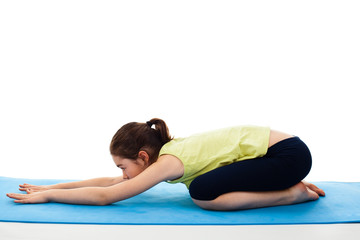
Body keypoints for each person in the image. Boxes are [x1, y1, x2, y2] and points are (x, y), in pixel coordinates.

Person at [6, 118, 325, 211]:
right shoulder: (168, 153)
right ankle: (291, 190)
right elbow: (111, 184)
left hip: (287, 157)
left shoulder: (169, 161)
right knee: (204, 188)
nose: (122, 174)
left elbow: (107, 196)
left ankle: (292, 194)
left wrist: (48, 198)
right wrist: (51, 187)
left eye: (123, 166)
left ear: (143, 157)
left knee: (202, 194)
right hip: (286, 152)